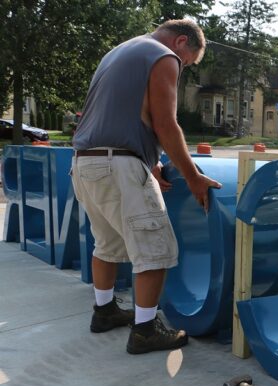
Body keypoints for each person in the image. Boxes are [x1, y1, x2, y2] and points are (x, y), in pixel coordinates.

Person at [71, 19, 221, 354]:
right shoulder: (162, 56)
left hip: (85, 162)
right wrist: (193, 176)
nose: (182, 68)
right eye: (187, 62)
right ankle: (145, 331)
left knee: (106, 244)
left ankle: (105, 311)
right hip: (118, 165)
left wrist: (148, 158)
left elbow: (121, 114)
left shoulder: (121, 51)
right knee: (155, 250)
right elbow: (166, 123)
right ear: (181, 42)